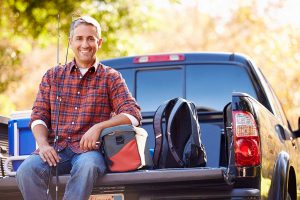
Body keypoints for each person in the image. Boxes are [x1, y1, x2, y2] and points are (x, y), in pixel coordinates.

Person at [16, 16, 142, 200]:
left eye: (91, 38)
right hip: (54, 150)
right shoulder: (53, 76)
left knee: (87, 166)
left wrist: (98, 128)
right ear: (70, 42)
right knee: (26, 170)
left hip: (90, 153)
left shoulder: (111, 77)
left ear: (99, 42)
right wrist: (43, 145)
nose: (85, 44)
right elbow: (38, 117)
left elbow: (133, 114)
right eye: (80, 38)